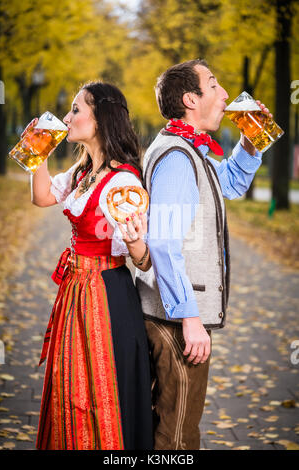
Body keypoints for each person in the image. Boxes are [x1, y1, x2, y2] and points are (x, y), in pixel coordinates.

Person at [135, 59, 272, 450]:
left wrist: (249, 140)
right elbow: (162, 242)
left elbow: (228, 183)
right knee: (177, 435)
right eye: (214, 85)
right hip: (176, 321)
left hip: (175, 316)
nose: (225, 94)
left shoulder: (190, 148)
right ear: (190, 99)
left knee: (167, 426)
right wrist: (190, 317)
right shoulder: (178, 157)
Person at [29, 81, 153, 450]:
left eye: (76, 110)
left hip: (106, 294)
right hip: (75, 292)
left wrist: (134, 242)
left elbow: (142, 259)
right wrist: (39, 153)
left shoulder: (123, 182)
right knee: (69, 383)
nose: (67, 118)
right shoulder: (83, 172)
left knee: (99, 390)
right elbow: (41, 197)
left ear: (100, 119)